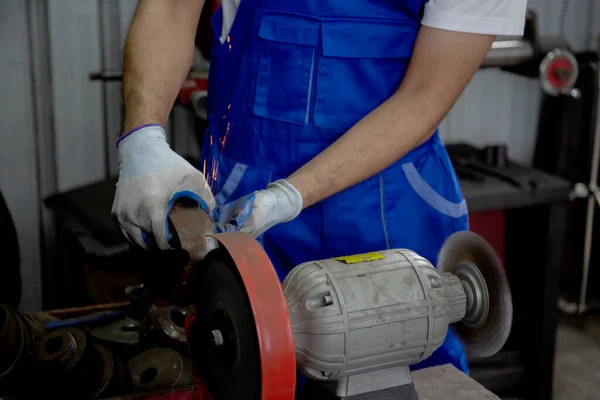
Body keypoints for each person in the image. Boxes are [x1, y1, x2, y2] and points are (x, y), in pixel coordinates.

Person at [112, 0, 527, 375]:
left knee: (408, 371)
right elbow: (169, 7)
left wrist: (290, 195)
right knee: (239, 362)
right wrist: (142, 141)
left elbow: (426, 95)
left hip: (388, 208)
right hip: (238, 202)